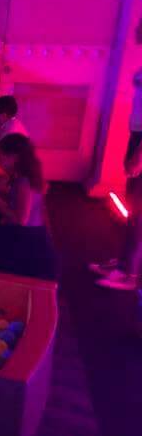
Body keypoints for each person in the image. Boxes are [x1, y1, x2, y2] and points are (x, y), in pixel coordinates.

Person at [0, 134, 56, 280]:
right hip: (31, 235)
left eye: (1, 155)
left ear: (14, 157)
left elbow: (21, 219)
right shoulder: (26, 175)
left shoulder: (24, 181)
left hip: (27, 240)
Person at [92, 49, 142, 290]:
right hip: (137, 135)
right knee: (133, 211)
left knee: (139, 215)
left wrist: (139, 157)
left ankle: (128, 274)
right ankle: (122, 264)